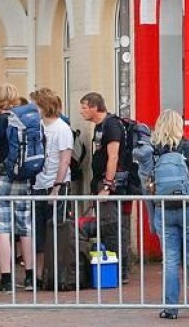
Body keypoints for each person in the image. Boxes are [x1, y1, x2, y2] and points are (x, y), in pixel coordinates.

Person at [151, 109, 189, 319]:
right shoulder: (188, 146)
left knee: (170, 260)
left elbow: (147, 179)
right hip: (188, 207)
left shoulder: (154, 149)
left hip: (163, 208)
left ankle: (170, 309)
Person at [0, 83, 35, 292]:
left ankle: (7, 278)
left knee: (2, 228)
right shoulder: (27, 120)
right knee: (25, 227)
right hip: (24, 177)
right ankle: (30, 276)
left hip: (3, 178)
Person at [79, 92, 131, 284]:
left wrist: (107, 185)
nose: (81, 112)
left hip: (112, 184)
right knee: (113, 226)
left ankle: (118, 270)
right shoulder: (100, 127)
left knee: (111, 227)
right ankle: (119, 268)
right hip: (103, 182)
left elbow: (113, 156)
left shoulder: (111, 125)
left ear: (94, 107)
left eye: (84, 107)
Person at [31, 87, 73, 281]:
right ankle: (39, 274)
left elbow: (65, 160)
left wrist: (57, 187)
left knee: (56, 229)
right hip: (38, 184)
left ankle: (56, 273)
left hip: (55, 184)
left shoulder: (62, 128)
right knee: (37, 232)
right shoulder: (37, 126)